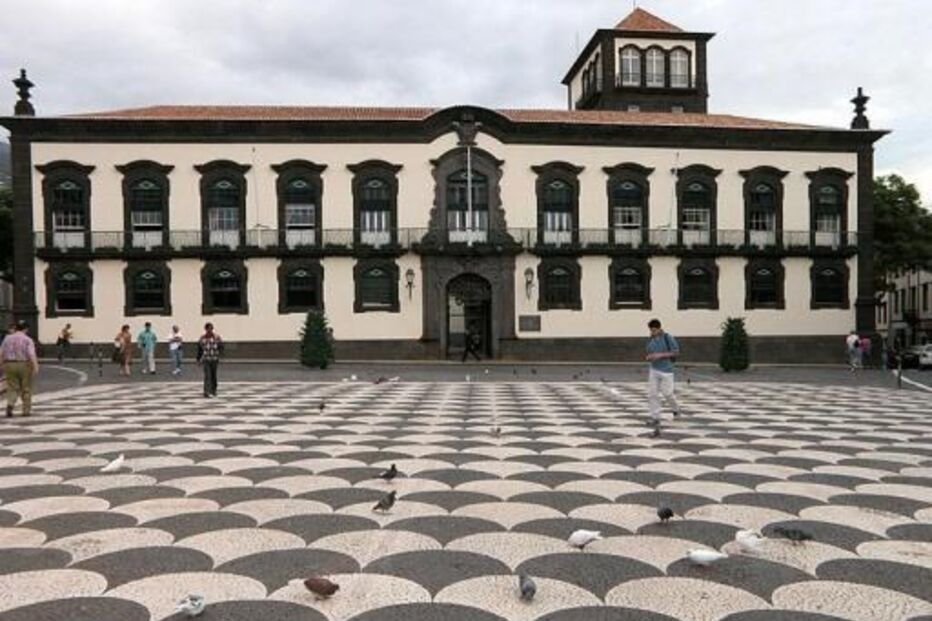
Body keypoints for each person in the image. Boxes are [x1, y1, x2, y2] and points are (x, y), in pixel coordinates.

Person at [645, 319, 680, 436]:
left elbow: (676, 352)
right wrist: (649, 357)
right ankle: (655, 417)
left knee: (667, 393)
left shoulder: (667, 337)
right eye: (651, 330)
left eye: (654, 330)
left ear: (659, 328)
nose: (652, 332)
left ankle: (676, 410)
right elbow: (649, 352)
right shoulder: (651, 339)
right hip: (654, 369)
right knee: (652, 394)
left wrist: (660, 355)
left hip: (667, 370)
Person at [1, 320, 39, 417]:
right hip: (24, 364)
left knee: (12, 387)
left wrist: (1, 364)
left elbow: (1, 352)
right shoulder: (28, 339)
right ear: (26, 329)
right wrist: (35, 366)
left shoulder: (7, 338)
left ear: (16, 328)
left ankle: (10, 404)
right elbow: (31, 354)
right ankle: (26, 410)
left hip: (9, 364)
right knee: (26, 387)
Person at [196, 322, 223, 398]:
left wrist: (219, 355)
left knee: (213, 375)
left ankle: (213, 390)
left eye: (211, 329)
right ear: (205, 329)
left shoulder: (217, 337)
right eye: (208, 329)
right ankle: (206, 391)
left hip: (214, 359)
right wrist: (198, 359)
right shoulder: (202, 338)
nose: (210, 330)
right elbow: (199, 349)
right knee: (207, 375)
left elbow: (221, 347)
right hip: (206, 359)